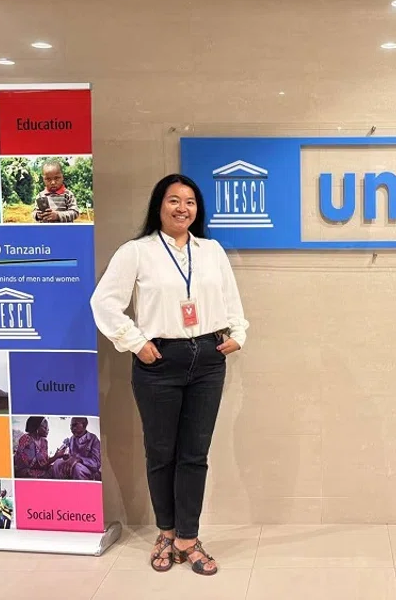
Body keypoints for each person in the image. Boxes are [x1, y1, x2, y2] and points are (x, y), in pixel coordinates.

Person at [90, 173, 248, 576]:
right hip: (159, 360)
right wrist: (135, 342)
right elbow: (104, 302)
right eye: (174, 200)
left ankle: (188, 539)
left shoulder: (212, 251)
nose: (183, 208)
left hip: (208, 360)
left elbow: (232, 301)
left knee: (195, 454)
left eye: (190, 202)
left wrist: (238, 334)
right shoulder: (136, 252)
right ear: (159, 205)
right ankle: (165, 531)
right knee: (162, 453)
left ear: (198, 209)